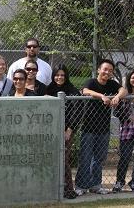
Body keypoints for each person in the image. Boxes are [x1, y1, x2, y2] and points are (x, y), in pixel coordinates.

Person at [75, 59, 127, 196]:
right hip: (88, 128)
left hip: (104, 129)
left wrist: (117, 97)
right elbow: (85, 91)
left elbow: (124, 90)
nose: (107, 72)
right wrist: (101, 96)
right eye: (105, 69)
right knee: (85, 158)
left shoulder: (111, 84)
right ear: (99, 70)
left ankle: (95, 185)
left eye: (110, 70)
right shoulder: (91, 82)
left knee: (99, 159)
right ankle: (81, 186)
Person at [45, 64, 82, 199]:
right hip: (49, 131)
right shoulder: (48, 90)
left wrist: (69, 131)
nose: (59, 77)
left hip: (65, 132)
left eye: (62, 75)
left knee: (64, 160)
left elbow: (77, 112)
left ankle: (67, 189)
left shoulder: (72, 91)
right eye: (57, 75)